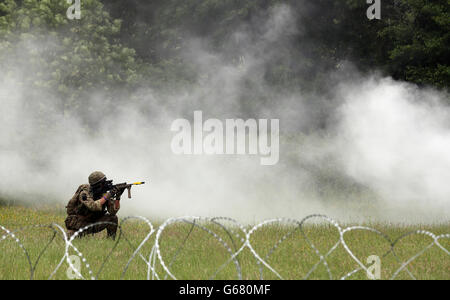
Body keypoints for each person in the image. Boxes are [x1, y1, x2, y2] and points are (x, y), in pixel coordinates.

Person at [65, 171, 124, 240]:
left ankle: (110, 241)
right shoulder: (84, 193)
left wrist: (118, 197)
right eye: (103, 183)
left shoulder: (103, 193)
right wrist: (108, 195)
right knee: (70, 237)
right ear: (97, 185)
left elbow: (112, 212)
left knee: (113, 218)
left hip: (93, 223)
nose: (105, 184)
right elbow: (93, 206)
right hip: (80, 225)